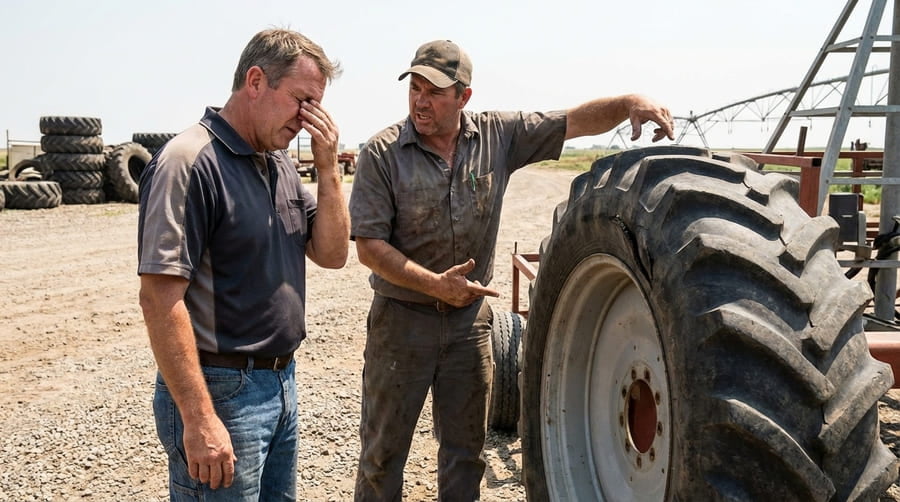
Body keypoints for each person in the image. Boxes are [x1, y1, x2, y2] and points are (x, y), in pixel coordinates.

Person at [349, 39, 675, 501]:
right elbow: (370, 247)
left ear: (463, 96)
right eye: (415, 87)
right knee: (383, 455)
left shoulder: (498, 137)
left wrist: (627, 104)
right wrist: (435, 285)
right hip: (402, 324)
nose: (420, 100)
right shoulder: (383, 153)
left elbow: (573, 121)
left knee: (465, 454)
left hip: (467, 327)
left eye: (434, 91)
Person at [137, 28, 349, 500]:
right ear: (256, 81)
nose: (308, 118)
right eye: (301, 100)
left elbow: (333, 254)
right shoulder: (189, 161)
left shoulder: (279, 164)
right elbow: (159, 298)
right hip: (221, 392)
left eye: (316, 105)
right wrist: (199, 417)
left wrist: (330, 168)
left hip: (280, 385)